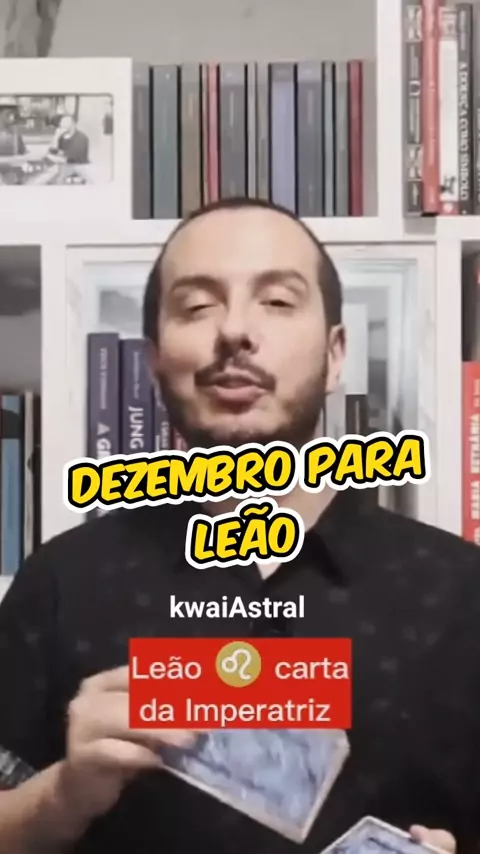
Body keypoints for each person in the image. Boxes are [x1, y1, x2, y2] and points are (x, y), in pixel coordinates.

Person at [0, 197, 476, 854]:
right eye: (197, 306)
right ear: (153, 360)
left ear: (336, 354)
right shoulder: (61, 584)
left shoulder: (461, 593)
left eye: (277, 301)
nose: (235, 331)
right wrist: (63, 795)